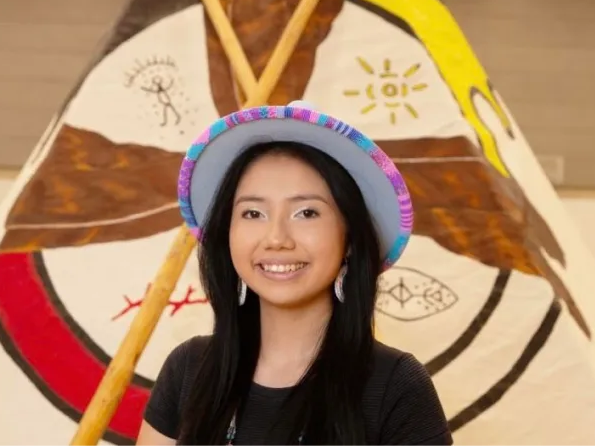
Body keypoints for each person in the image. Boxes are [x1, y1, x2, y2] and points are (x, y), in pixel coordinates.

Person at [136, 101, 453, 446]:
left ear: (349, 238)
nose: (276, 239)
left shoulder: (397, 387)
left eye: (306, 212)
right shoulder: (188, 369)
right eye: (253, 213)